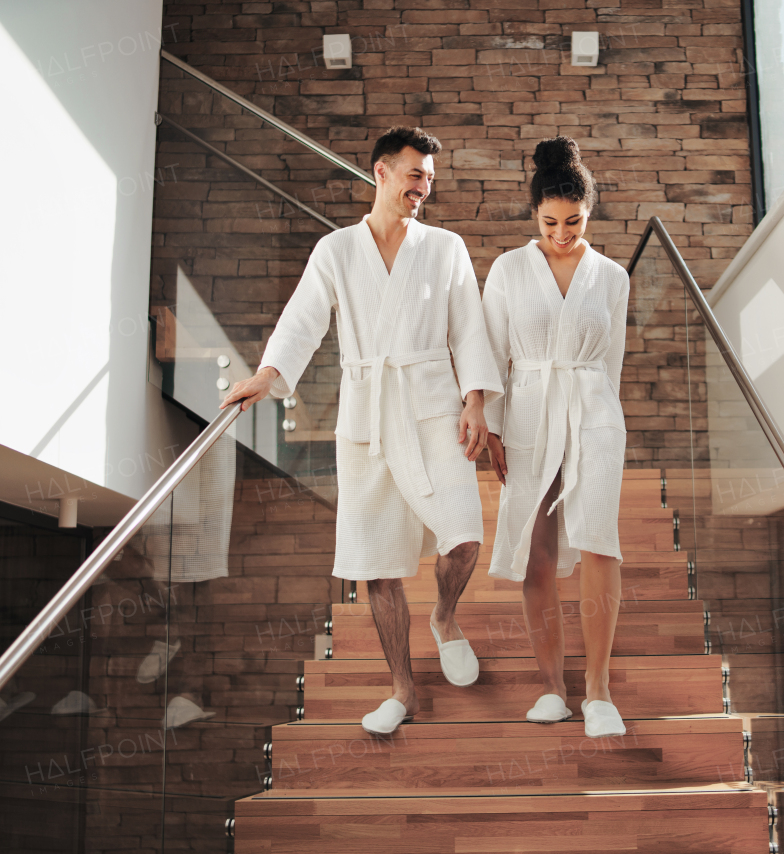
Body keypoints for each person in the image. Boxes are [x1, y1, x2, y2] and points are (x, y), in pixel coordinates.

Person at [221, 127, 502, 735]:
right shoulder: (336, 251)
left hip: (432, 404)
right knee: (377, 563)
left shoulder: (445, 247)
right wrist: (267, 375)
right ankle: (402, 688)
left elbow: (468, 329)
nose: (424, 188)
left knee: (464, 539)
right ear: (380, 172)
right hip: (368, 414)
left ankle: (445, 619)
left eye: (429, 178)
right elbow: (302, 320)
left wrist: (476, 402)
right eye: (414, 176)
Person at [482, 137, 630, 739]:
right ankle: (553, 688)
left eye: (574, 221)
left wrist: (607, 421)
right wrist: (490, 425)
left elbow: (614, 361)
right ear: (534, 213)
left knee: (599, 541)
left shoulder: (611, 276)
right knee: (537, 548)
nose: (562, 232)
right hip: (529, 410)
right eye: (550, 222)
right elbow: (491, 353)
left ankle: (598, 691)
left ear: (588, 212)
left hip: (594, 409)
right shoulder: (509, 269)